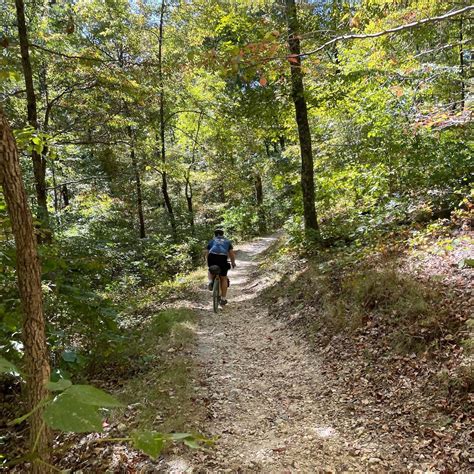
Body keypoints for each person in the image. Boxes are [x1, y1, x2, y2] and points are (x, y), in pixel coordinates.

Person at [206, 229, 236, 306]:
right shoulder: (227, 241)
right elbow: (232, 254)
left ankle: (210, 281)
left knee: (210, 270)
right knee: (223, 278)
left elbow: (206, 253)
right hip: (222, 258)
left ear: (215, 235)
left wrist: (207, 262)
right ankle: (223, 299)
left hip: (212, 256)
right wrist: (233, 263)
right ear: (223, 234)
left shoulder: (212, 241)